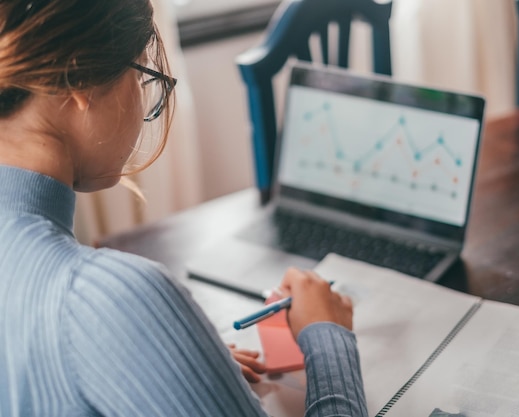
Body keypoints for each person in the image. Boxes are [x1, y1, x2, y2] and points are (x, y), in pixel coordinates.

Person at [0, 1, 368, 416]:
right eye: (142, 75)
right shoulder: (111, 299)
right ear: (80, 78)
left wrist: (167, 365)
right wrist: (328, 339)